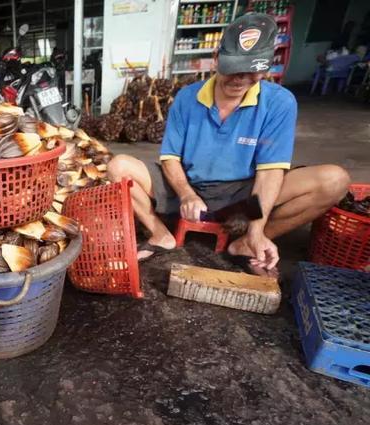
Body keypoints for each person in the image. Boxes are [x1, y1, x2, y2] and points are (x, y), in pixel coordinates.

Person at [107, 13, 350, 277]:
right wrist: (188, 194)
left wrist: (257, 229)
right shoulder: (188, 98)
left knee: (334, 180)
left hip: (242, 197)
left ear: (266, 67)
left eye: (252, 71)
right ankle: (161, 233)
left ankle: (248, 241)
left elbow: (270, 171)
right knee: (119, 166)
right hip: (186, 189)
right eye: (233, 68)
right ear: (216, 58)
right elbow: (170, 157)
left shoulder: (280, 102)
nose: (240, 79)